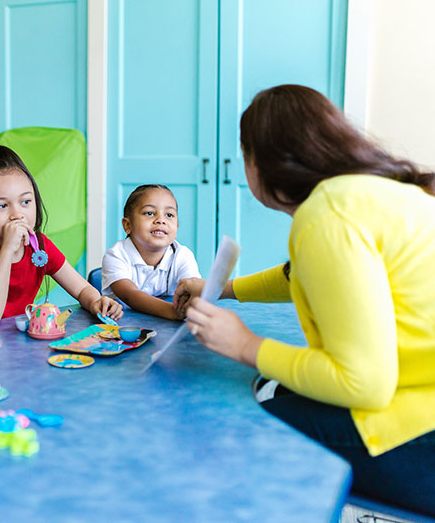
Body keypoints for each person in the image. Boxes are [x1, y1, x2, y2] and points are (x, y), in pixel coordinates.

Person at [174, 84, 435, 515]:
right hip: (420, 401)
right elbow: (303, 275)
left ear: (259, 161)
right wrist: (224, 289)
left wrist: (244, 345)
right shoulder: (368, 194)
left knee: (233, 424)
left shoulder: (325, 215)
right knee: (278, 392)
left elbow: (363, 383)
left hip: (419, 433)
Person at [0, 145, 122, 334]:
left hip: (8, 345)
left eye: (25, 202)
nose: (17, 214)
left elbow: (82, 289)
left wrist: (97, 302)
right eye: (2, 206)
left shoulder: (40, 246)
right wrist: (7, 250)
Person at [102, 184, 200, 319]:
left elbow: (191, 288)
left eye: (169, 215)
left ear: (176, 227)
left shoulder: (183, 255)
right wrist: (173, 312)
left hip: (169, 329)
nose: (161, 220)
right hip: (124, 329)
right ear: (127, 225)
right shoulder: (116, 255)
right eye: (149, 213)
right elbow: (130, 295)